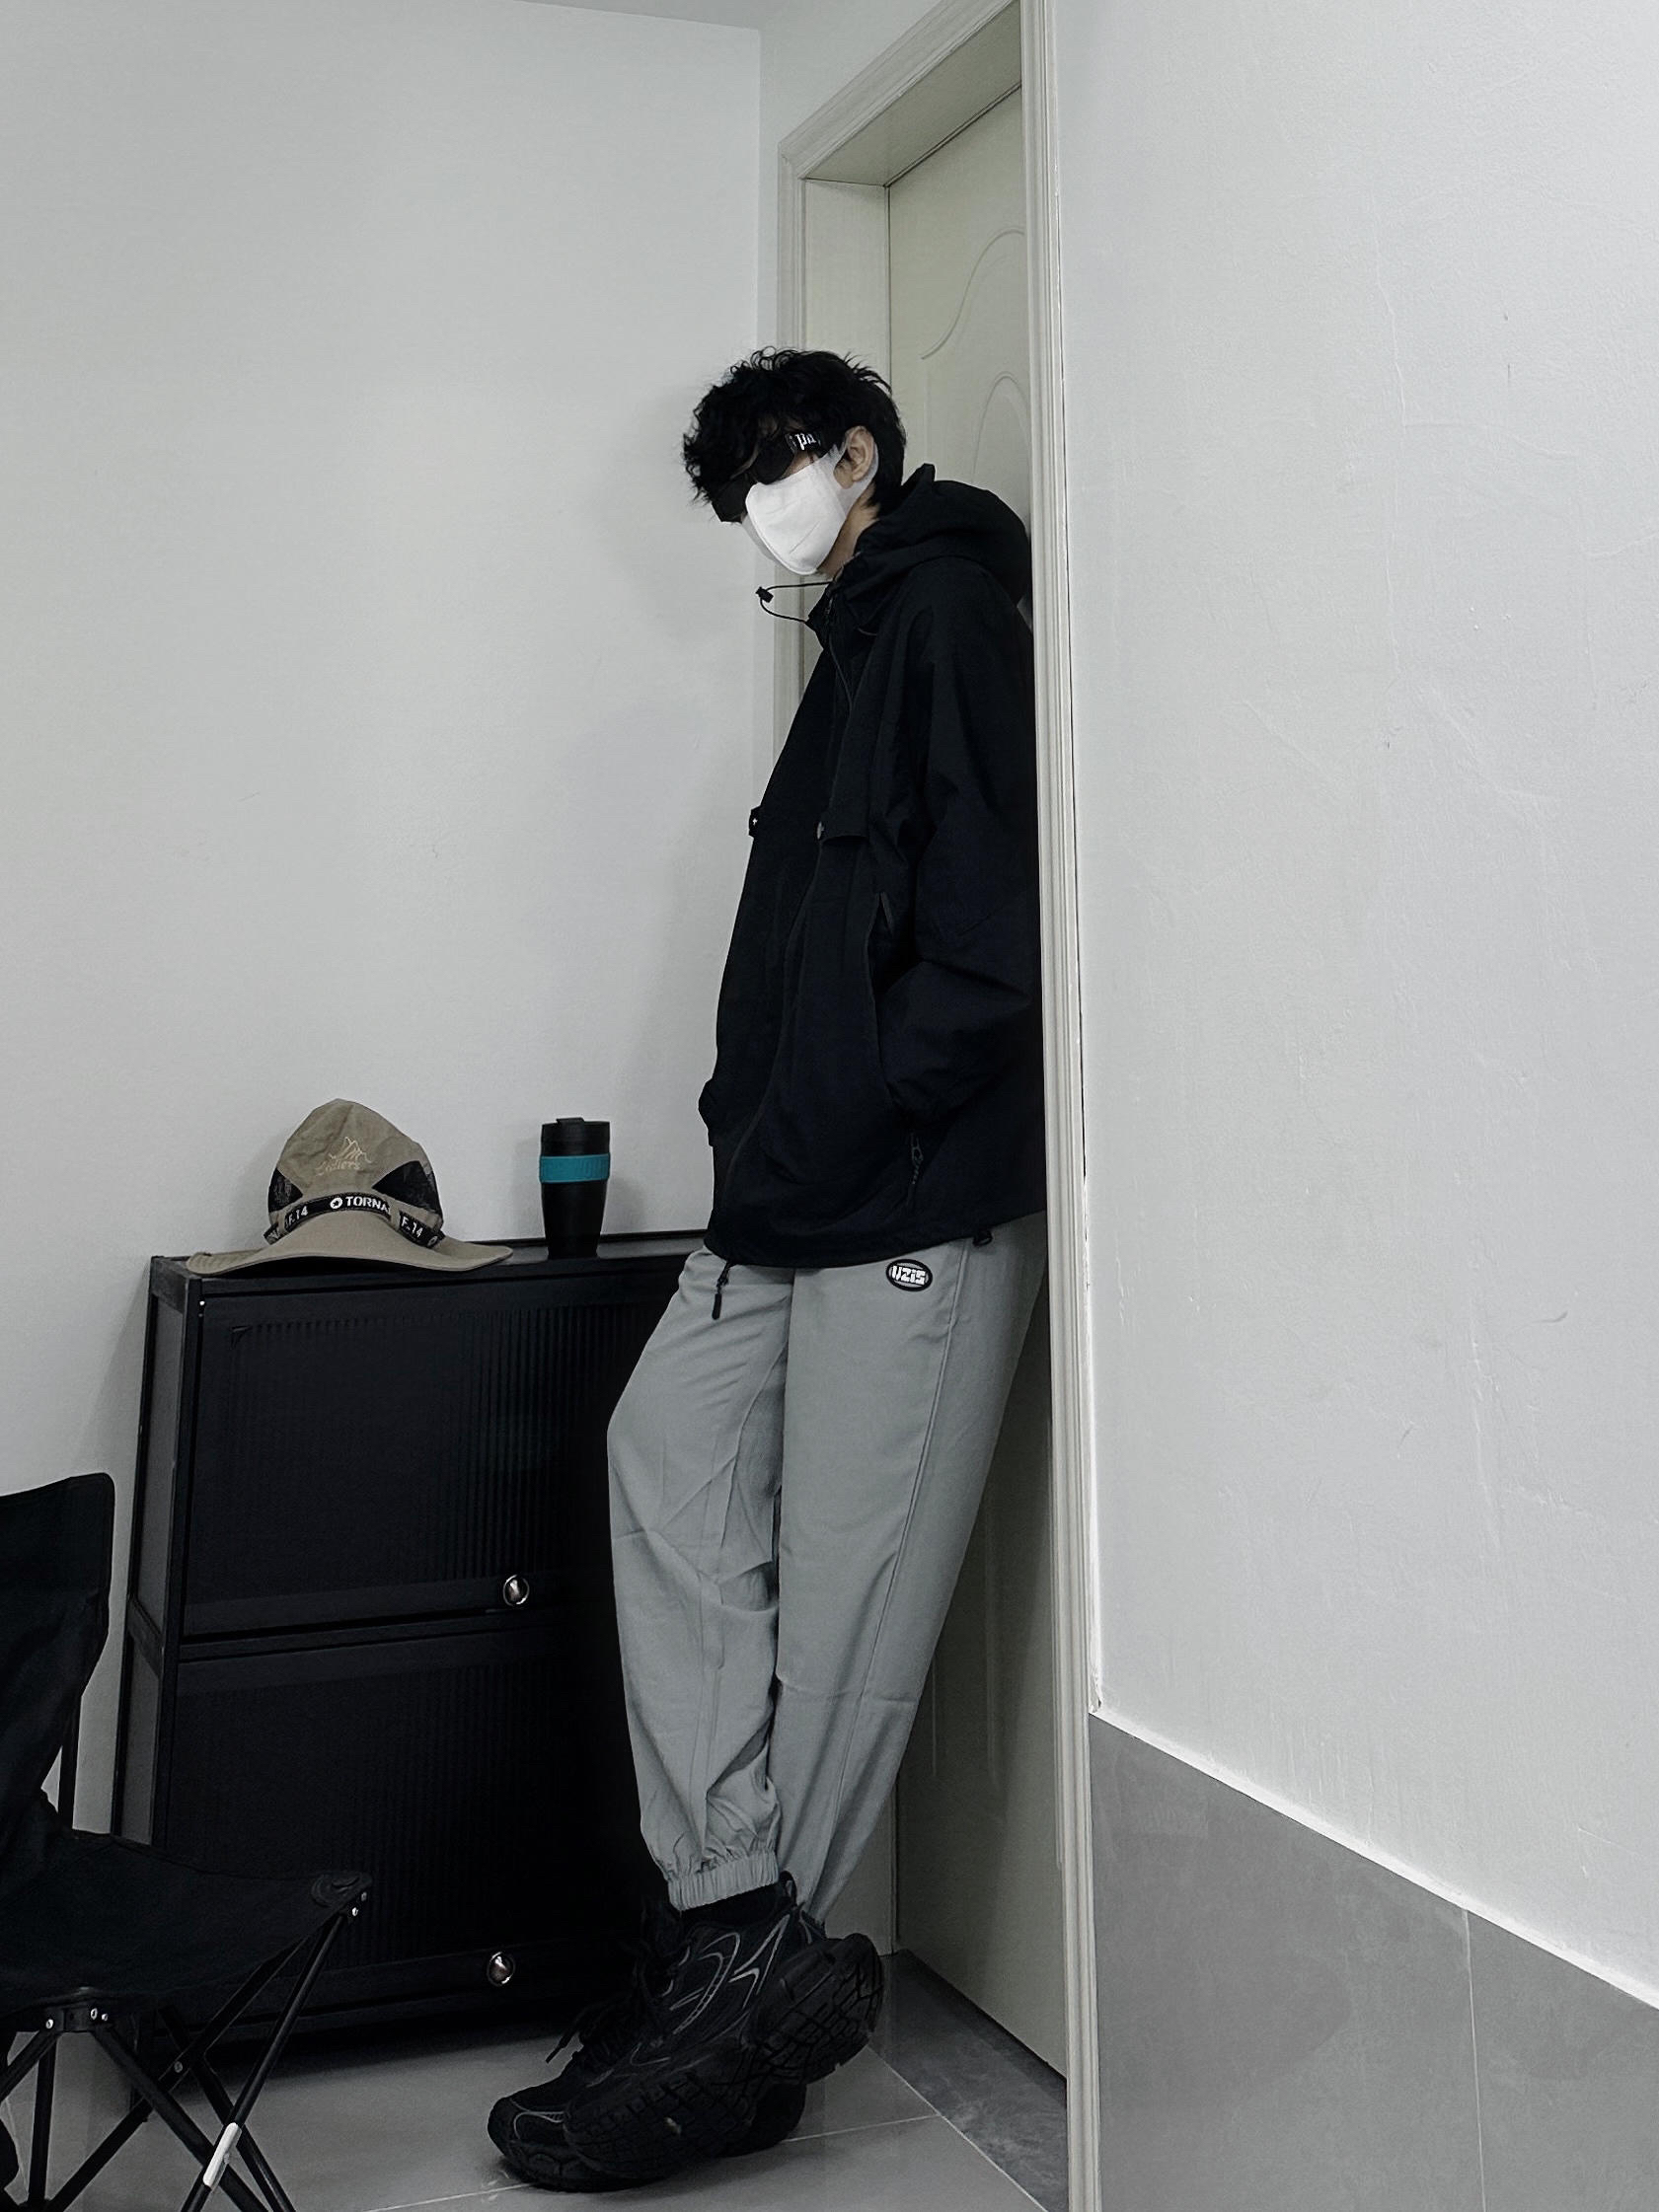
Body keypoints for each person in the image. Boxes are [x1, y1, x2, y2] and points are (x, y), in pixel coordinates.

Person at [490, 349, 1047, 2192]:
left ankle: (724, 2016)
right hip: (787, 1193)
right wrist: (762, 1117)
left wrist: (866, 1102)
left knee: (847, 1610)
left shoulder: (945, 614)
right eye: (734, 492)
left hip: (908, 1205)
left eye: (773, 471)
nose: (759, 512)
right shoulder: (848, 643)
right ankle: (736, 1923)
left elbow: (990, 939)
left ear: (856, 453)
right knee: (661, 1456)